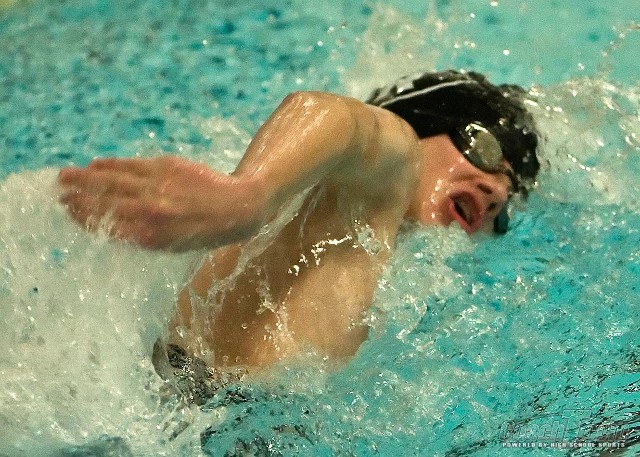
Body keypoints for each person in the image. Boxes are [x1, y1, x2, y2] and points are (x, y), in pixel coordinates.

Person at [57, 70, 540, 379]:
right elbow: (334, 116)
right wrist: (247, 197)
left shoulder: (377, 245)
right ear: (424, 121)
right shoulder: (397, 159)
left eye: (507, 201)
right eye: (485, 151)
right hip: (197, 405)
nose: (496, 193)